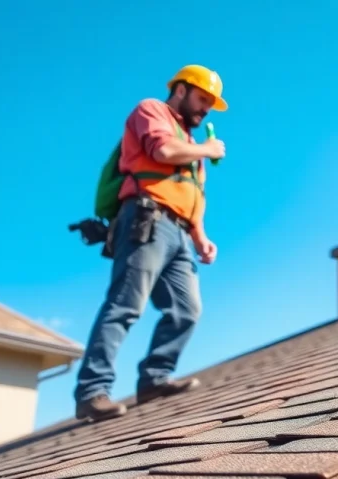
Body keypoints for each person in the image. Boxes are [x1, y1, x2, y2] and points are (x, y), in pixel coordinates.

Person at [73, 64, 228, 421]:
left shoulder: (192, 144)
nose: (206, 109)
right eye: (203, 98)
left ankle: (154, 379)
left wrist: (200, 237)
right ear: (181, 90)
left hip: (179, 234)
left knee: (187, 310)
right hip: (146, 219)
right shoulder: (152, 111)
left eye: (211, 104)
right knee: (126, 304)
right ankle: (92, 390)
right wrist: (206, 149)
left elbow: (192, 195)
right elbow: (161, 153)